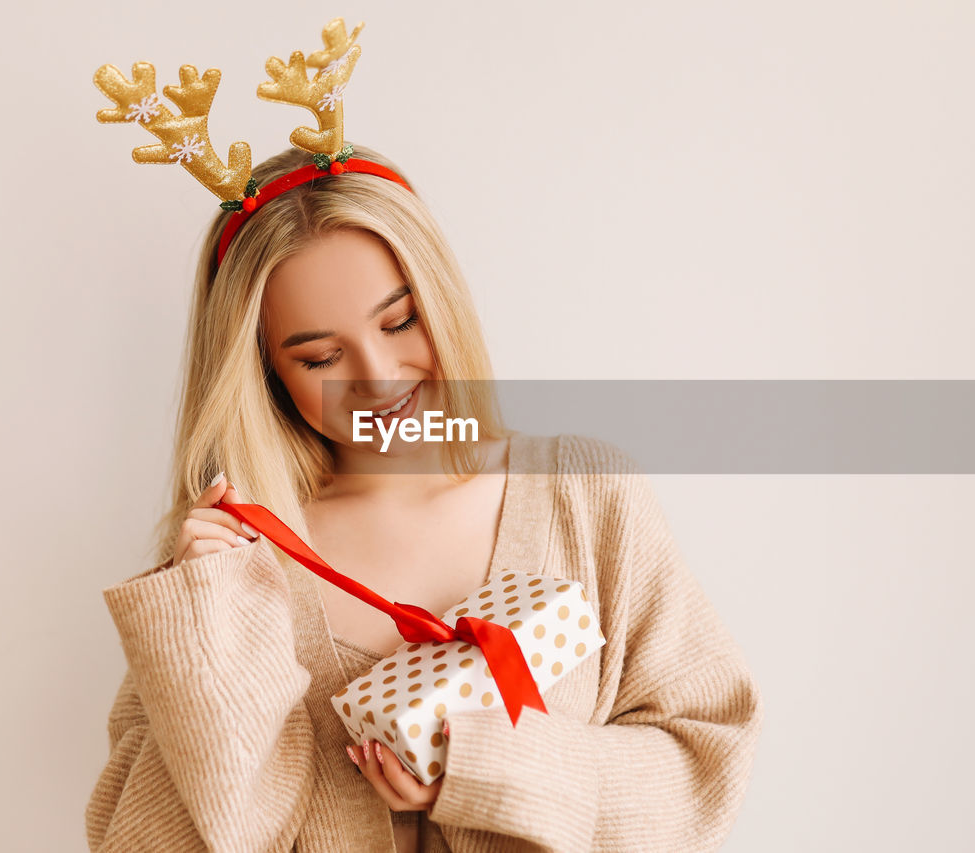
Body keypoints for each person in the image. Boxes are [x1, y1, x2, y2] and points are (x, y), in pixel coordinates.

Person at [87, 25, 762, 850]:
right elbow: (138, 839)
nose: (377, 377)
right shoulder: (235, 570)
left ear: (440, 297)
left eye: (399, 320)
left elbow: (706, 763)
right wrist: (207, 626)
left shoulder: (582, 493)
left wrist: (489, 767)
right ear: (263, 375)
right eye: (320, 355)